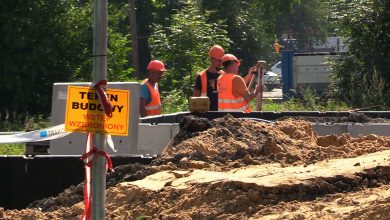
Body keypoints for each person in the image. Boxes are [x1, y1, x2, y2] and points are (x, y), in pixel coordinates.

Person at [193, 45, 225, 111]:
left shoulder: (223, 75)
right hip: (206, 116)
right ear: (211, 59)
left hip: (222, 115)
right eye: (219, 60)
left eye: (221, 61)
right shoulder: (201, 76)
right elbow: (196, 99)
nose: (221, 63)